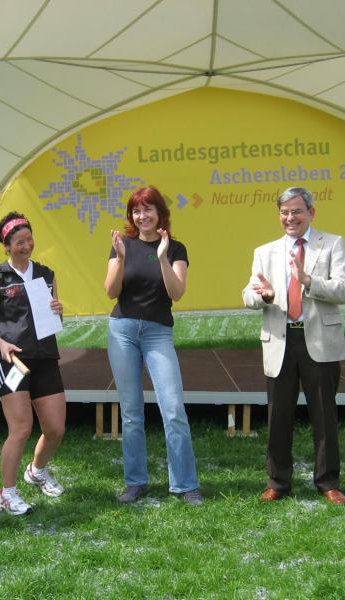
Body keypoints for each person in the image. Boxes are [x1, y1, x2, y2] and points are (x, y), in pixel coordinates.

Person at [242, 186, 345, 505]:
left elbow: (343, 290)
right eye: (284, 212)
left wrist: (309, 281)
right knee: (278, 415)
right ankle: (278, 482)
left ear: (311, 213)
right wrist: (263, 296)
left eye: (296, 211)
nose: (290, 218)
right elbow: (248, 295)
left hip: (319, 340)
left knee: (324, 414)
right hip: (280, 340)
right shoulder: (265, 252)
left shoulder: (332, 243)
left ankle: (328, 482)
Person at [104, 186, 203, 506]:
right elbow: (110, 291)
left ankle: (185, 484)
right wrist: (120, 258)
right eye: (136, 210)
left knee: (173, 409)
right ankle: (135, 482)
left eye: (148, 209)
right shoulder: (122, 245)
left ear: (160, 213)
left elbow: (177, 293)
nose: (142, 216)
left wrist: (161, 257)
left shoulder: (175, 248)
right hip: (122, 331)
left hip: (157, 333)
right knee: (131, 413)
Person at [0, 212, 66, 516]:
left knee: (55, 428)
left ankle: (37, 470)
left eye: (29, 240)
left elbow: (55, 319)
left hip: (45, 358)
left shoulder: (46, 274)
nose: (26, 246)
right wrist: (2, 344)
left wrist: (58, 310)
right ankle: (7, 492)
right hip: (12, 362)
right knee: (20, 428)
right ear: (7, 245)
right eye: (19, 242)